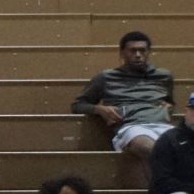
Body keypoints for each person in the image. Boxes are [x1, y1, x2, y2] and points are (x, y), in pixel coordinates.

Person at [72, 30, 173, 161]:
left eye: (142, 50)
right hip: (132, 127)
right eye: (132, 51)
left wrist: (170, 106)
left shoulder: (163, 76)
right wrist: (99, 109)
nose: (138, 55)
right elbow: (77, 105)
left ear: (149, 52)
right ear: (122, 52)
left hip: (163, 126)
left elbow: (169, 101)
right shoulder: (106, 77)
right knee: (145, 146)